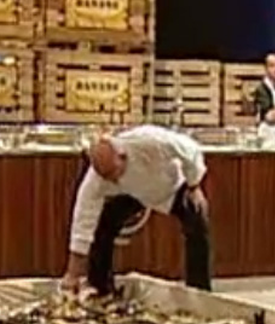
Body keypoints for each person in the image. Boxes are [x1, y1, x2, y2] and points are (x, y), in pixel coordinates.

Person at [63, 125, 211, 295]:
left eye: (115, 173)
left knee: (198, 223)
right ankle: (100, 287)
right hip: (133, 193)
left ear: (122, 156)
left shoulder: (151, 141)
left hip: (172, 185)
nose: (113, 180)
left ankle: (199, 291)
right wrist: (73, 274)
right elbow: (83, 222)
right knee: (103, 227)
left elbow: (191, 150)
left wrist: (194, 184)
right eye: (107, 178)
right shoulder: (95, 181)